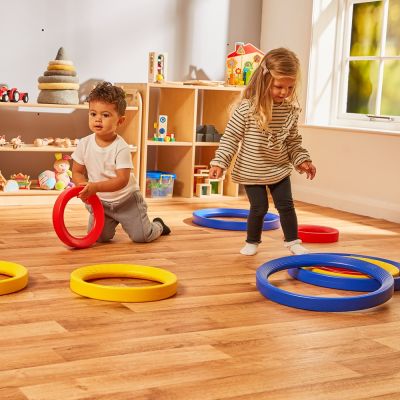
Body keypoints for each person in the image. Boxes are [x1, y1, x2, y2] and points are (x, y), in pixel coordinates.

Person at [209, 48, 316, 256]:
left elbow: (293, 141)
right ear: (264, 80)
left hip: (279, 168)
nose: (284, 92)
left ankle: (293, 242)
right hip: (252, 169)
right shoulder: (247, 109)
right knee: (259, 208)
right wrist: (219, 162)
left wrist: (302, 160)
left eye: (290, 87)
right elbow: (231, 137)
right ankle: (252, 241)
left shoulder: (290, 111)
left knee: (286, 205)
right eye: (278, 86)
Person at [71, 81, 170, 244]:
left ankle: (158, 225)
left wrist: (94, 187)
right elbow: (77, 171)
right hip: (101, 203)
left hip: (126, 200)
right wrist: (83, 187)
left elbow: (122, 180)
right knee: (98, 238)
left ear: (120, 121)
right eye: (93, 114)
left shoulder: (121, 147)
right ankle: (108, 223)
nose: (97, 119)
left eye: (105, 115)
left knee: (142, 237)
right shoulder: (84, 144)